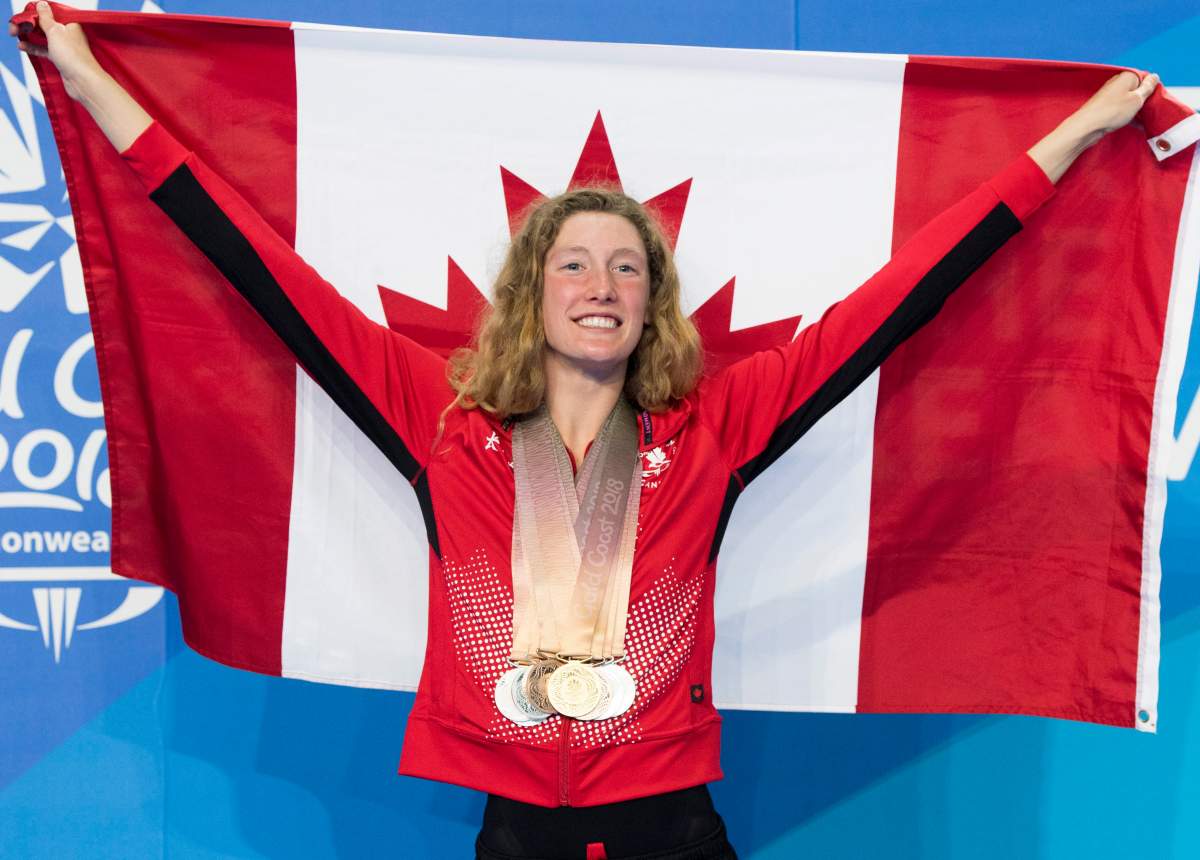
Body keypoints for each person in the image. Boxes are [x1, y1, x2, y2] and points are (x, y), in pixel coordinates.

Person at [14, 3, 1162, 858]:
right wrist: (92, 84)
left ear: (652, 300)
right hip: (511, 825)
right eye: (574, 261)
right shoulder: (439, 415)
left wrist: (1072, 137)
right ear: (535, 293)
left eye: (628, 265)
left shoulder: (722, 421)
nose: (601, 282)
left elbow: (906, 294)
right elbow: (249, 260)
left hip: (668, 820)